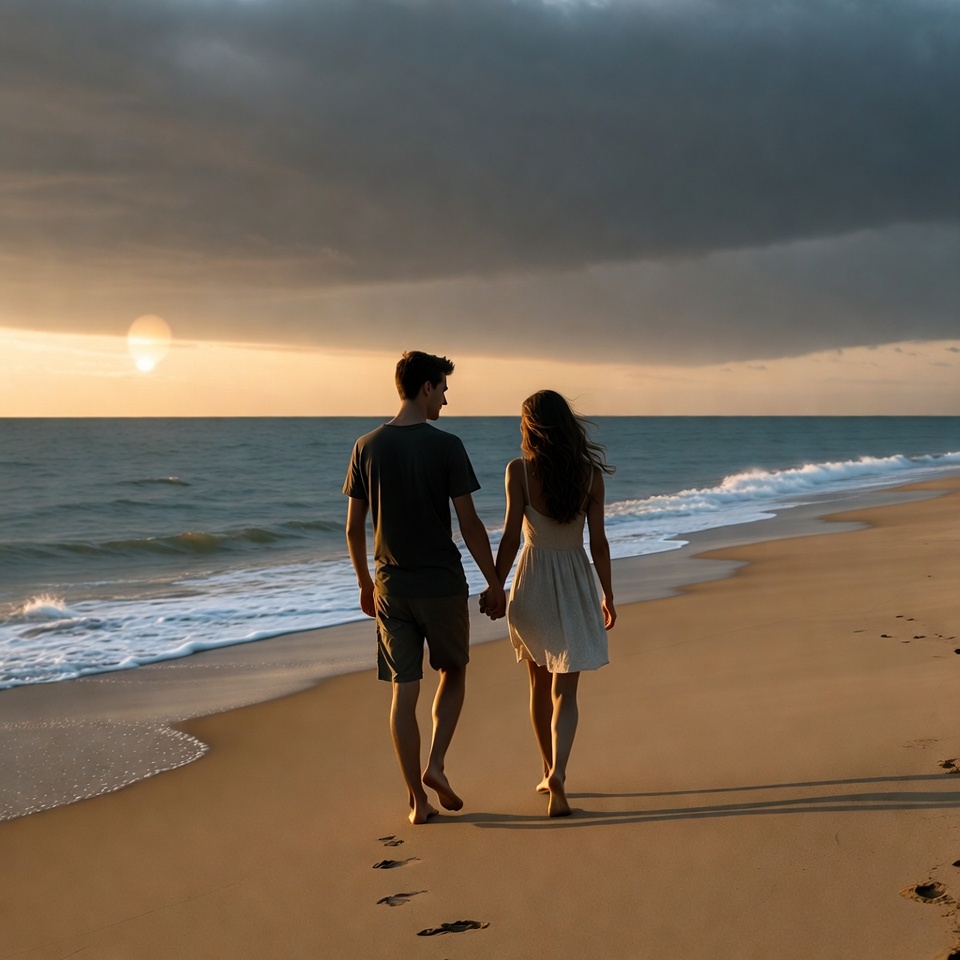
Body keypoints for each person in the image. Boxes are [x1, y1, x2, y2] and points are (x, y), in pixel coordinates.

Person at [343, 351, 506, 825]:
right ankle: (436, 764)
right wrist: (494, 581)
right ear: (426, 388)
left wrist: (363, 583)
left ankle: (416, 799)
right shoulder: (447, 446)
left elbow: (354, 529)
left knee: (403, 690)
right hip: (440, 584)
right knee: (452, 672)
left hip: (390, 586)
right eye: (444, 389)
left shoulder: (365, 446)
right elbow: (470, 523)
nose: (447, 400)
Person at [485, 390, 616, 817]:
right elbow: (598, 542)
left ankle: (547, 769)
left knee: (539, 686)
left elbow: (508, 537)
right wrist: (607, 594)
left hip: (532, 582)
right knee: (567, 692)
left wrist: (495, 585)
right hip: (575, 582)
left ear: (531, 428)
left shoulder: (519, 472)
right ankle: (559, 770)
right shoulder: (590, 476)